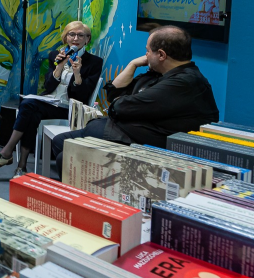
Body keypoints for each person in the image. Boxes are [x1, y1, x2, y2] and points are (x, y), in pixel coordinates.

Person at [51, 25, 220, 170]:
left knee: (64, 158)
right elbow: (113, 93)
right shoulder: (158, 73)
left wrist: (120, 103)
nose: (146, 56)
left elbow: (119, 107)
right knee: (59, 142)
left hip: (144, 148)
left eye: (148, 51)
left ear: (161, 55)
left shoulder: (184, 82)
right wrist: (132, 65)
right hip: (118, 132)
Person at [0, 21, 103, 175]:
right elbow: (48, 87)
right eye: (72, 34)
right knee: (31, 113)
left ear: (87, 39)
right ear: (65, 37)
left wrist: (77, 74)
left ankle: (8, 153)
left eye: (81, 35)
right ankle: (21, 166)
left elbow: (81, 95)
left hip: (69, 108)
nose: (76, 38)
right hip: (50, 102)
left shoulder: (95, 62)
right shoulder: (55, 55)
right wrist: (59, 66)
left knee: (28, 105)